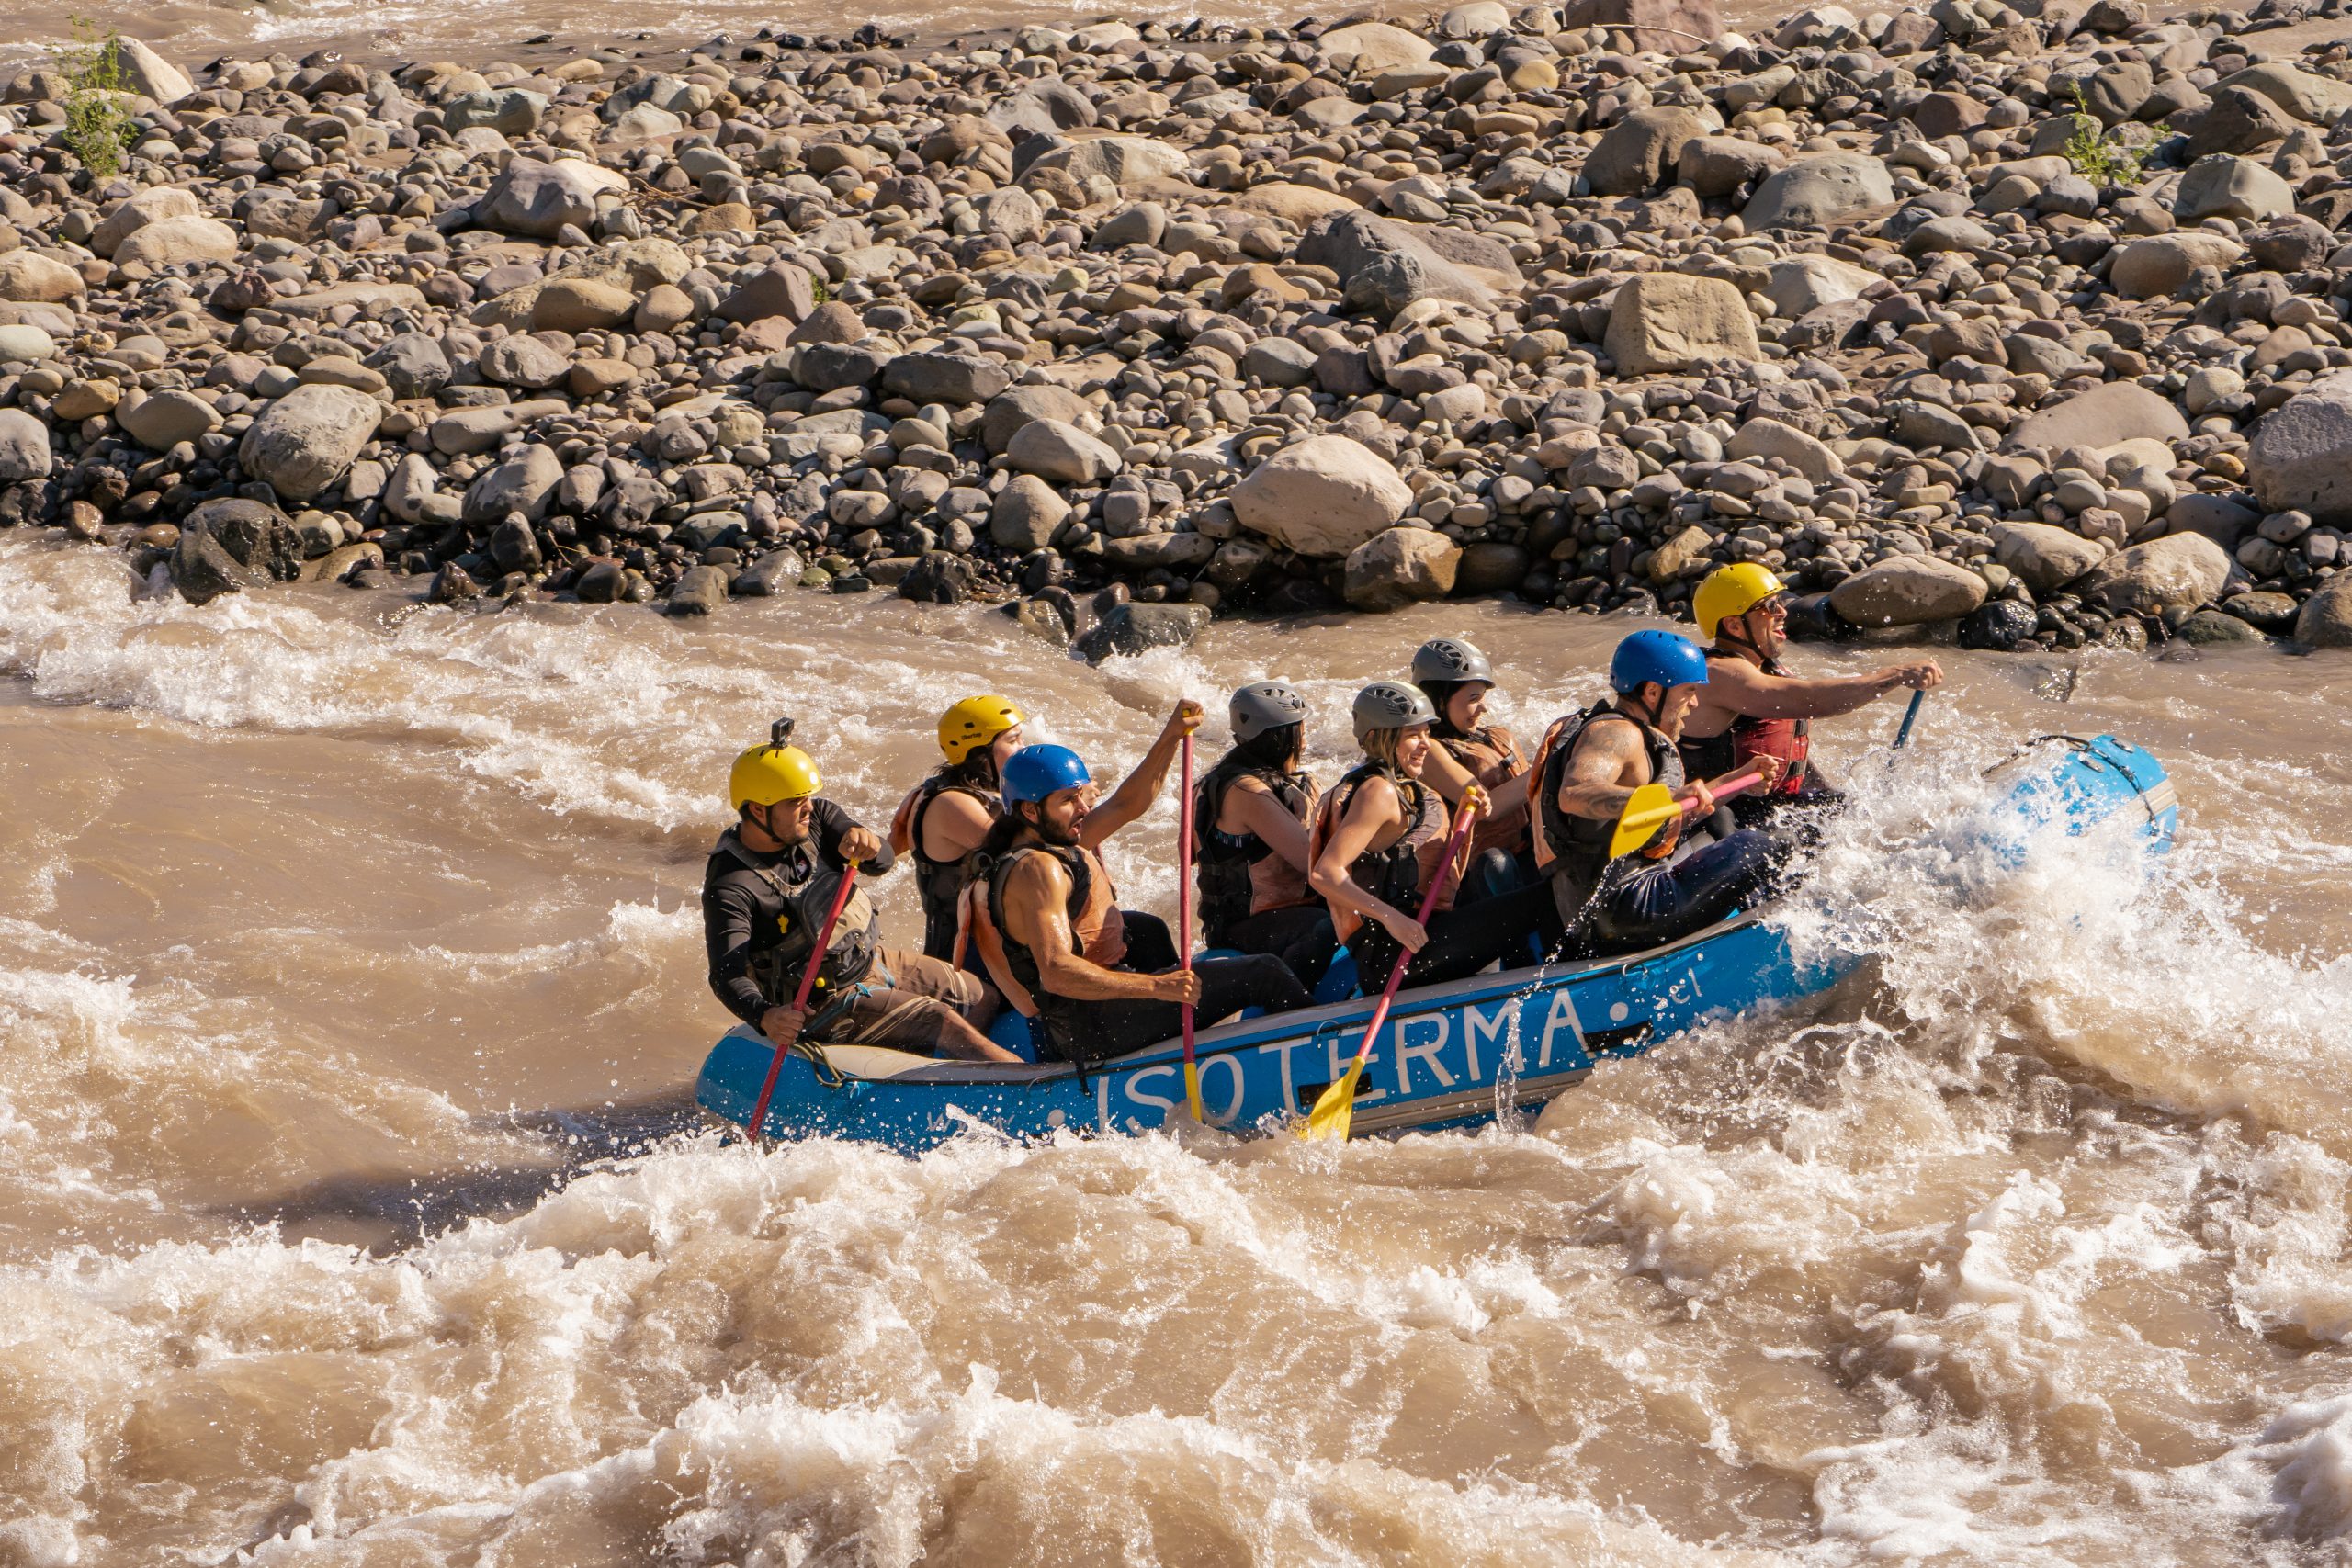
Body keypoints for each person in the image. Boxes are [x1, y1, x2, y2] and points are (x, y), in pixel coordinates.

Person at [971, 709, 1313, 1066]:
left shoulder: (1054, 839)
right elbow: (1056, 972)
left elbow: (1127, 803)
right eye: (1068, 800)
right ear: (1029, 810)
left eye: (1080, 795)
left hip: (1097, 1011)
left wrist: (1172, 735)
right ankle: (1322, 1058)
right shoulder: (1036, 870)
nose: (1083, 808)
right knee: (1265, 972)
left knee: (1145, 930)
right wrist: (1158, 988)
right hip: (1093, 1024)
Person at [704, 720, 1021, 1065]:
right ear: (757, 810)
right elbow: (726, 974)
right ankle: (1020, 1085)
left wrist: (870, 848)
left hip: (868, 961)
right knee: (940, 1019)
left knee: (982, 996)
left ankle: (948, 1071)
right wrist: (765, 1017)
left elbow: (882, 862)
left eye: (807, 797)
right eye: (795, 802)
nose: (808, 806)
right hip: (818, 1003)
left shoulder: (819, 820)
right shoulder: (733, 884)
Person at [1532, 632, 1789, 959]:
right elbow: (1575, 792)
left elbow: (1658, 814)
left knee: (1721, 820)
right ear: (1652, 691)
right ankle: (1762, 942)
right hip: (1628, 910)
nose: (1694, 703)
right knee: (1769, 842)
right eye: (1688, 692)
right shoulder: (1617, 733)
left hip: (1597, 912)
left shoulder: (1628, 731)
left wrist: (1738, 780)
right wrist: (1668, 798)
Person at [1308, 682, 1557, 990]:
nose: (1426, 744)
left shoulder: (1402, 787)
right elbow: (1325, 874)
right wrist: (1391, 918)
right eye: (1413, 735)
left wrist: (1466, 814)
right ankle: (1536, 986)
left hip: (1415, 939)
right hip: (1396, 954)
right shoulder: (1378, 791)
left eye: (1427, 733)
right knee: (1545, 898)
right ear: (1378, 737)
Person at [1679, 565, 1943, 828]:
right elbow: (1814, 701)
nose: (1783, 612)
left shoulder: (1766, 667)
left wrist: (1833, 799)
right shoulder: (1719, 673)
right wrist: (1895, 674)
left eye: (1781, 602)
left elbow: (1790, 745)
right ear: (1734, 625)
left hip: (1767, 809)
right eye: (1770, 606)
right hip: (1714, 817)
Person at [1193, 681, 1337, 991]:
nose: (1306, 738)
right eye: (1301, 729)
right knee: (1324, 926)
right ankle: (1290, 1001)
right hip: (1242, 925)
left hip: (1289, 910)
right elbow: (1313, 865)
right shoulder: (1244, 791)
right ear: (1281, 737)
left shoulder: (1288, 782)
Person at [889, 694, 1023, 964]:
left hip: (984, 945)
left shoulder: (969, 792)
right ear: (979, 752)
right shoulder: (952, 804)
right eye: (1012, 740)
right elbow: (1027, 854)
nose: (1022, 748)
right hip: (962, 957)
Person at [1409, 637, 1533, 900]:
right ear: (1439, 700)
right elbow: (1487, 807)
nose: (1483, 708)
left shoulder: (1497, 736)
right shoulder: (1427, 751)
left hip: (1525, 851)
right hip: (1476, 875)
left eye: (1483, 697)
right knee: (1496, 862)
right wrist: (1547, 769)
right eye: (1474, 698)